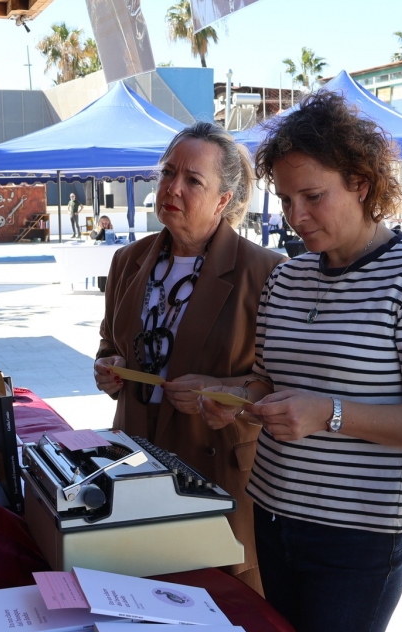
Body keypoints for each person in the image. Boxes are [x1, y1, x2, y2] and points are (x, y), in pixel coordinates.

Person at [200, 91, 402, 632]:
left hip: (360, 536)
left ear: (362, 183)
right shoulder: (288, 275)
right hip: (272, 514)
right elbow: (269, 381)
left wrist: (330, 414)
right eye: (286, 199)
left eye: (313, 196)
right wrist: (232, 397)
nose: (296, 215)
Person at [93, 122, 282, 593]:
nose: (172, 188)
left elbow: (280, 384)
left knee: (218, 608)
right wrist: (108, 367)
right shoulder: (128, 261)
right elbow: (110, 343)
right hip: (136, 461)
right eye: (167, 173)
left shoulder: (266, 272)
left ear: (224, 200)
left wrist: (225, 395)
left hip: (214, 473)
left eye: (193, 180)